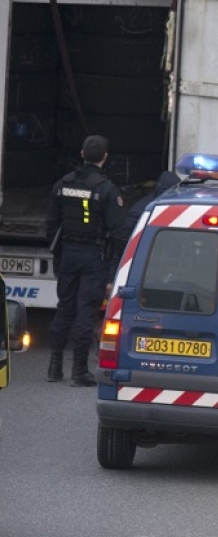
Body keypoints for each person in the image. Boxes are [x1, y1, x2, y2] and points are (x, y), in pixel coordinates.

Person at [46, 135, 130, 386]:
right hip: (93, 255)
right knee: (86, 311)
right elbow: (118, 234)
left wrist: (58, 255)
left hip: (68, 253)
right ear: (105, 157)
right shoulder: (106, 189)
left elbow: (52, 224)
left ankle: (54, 366)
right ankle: (80, 370)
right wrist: (116, 265)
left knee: (65, 307)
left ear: (82, 154)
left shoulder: (62, 184)